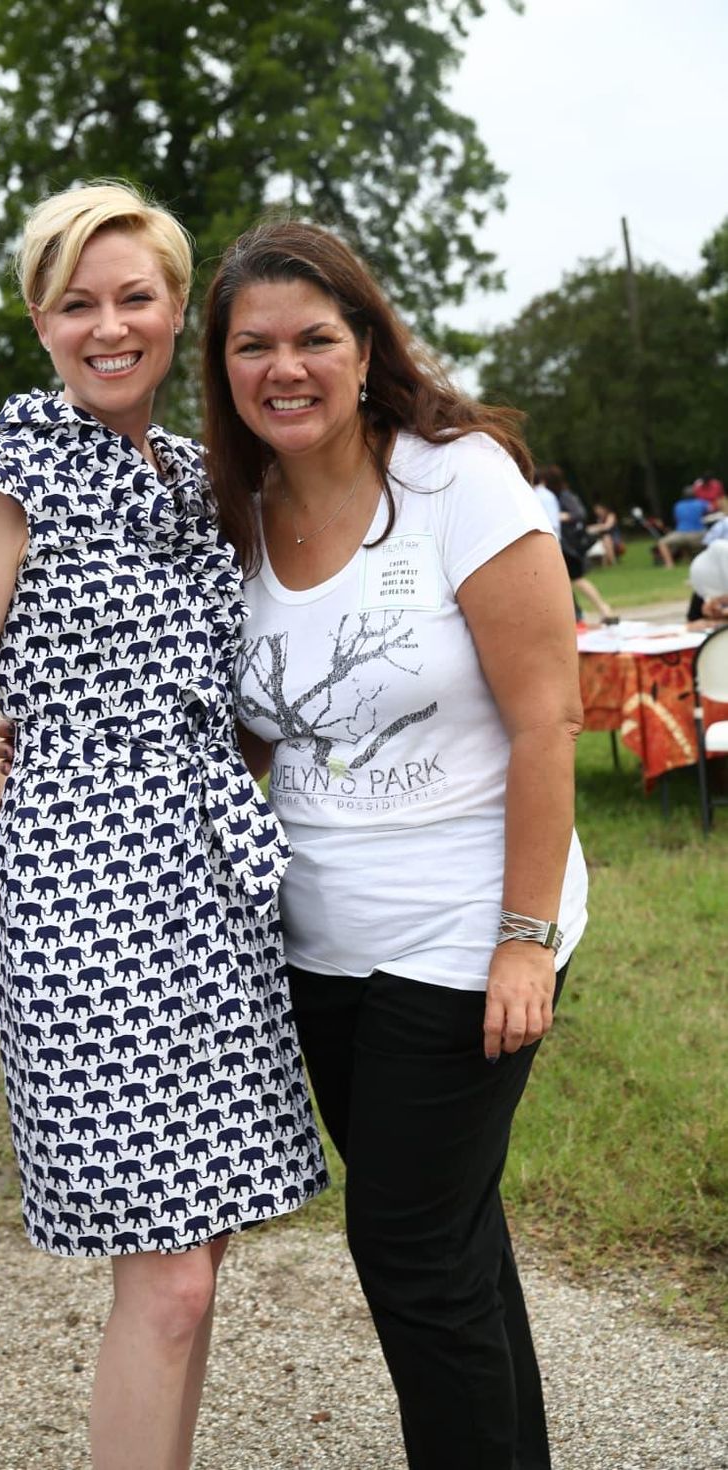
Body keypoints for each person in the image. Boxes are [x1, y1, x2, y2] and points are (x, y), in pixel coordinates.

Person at [0, 183, 326, 1470]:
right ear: (38, 319)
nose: (108, 325)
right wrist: (10, 904)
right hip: (81, 896)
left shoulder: (202, 470)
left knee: (196, 1257)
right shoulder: (5, 472)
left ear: (174, 308)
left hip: (205, 885)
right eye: (76, 303)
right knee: (169, 1278)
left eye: (133, 297)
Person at [201, 221, 589, 1470]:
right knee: (449, 1241)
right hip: (319, 944)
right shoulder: (236, 513)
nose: (285, 367)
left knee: (408, 1249)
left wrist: (522, 941)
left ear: (365, 347)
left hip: (463, 930)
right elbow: (264, 734)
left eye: (314, 337)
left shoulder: (455, 477)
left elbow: (547, 717)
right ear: (222, 366)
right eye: (252, 345)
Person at [542, 465, 614, 620]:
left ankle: (603, 609)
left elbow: (579, 514)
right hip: (563, 543)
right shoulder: (555, 496)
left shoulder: (563, 496)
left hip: (567, 545)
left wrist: (559, 516)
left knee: (576, 579)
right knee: (566, 581)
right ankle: (579, 614)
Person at [656, 487, 707, 568]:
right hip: (699, 535)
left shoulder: (678, 505)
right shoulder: (701, 503)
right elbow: (709, 511)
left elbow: (677, 519)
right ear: (694, 495)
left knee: (662, 543)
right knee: (713, 540)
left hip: (682, 534)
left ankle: (669, 565)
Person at [586, 501, 622, 565]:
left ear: (603, 508)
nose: (597, 511)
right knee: (604, 540)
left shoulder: (611, 515)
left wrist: (595, 527)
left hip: (614, 537)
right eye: (596, 510)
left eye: (598, 509)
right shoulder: (598, 518)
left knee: (606, 539)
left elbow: (607, 526)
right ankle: (607, 563)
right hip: (602, 538)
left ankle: (612, 562)